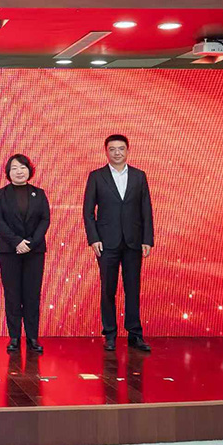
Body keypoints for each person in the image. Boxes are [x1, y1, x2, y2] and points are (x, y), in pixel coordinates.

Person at [83, 134, 154, 352]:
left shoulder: (139, 176)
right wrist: (94, 238)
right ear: (106, 151)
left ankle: (135, 334)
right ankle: (110, 334)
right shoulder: (96, 176)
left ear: (127, 151)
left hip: (133, 241)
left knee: (133, 288)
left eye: (121, 149)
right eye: (112, 149)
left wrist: (147, 239)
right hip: (106, 243)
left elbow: (146, 210)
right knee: (108, 289)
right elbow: (88, 212)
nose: (117, 153)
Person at [0, 154, 50, 354]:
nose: (19, 171)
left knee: (32, 294)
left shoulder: (39, 194)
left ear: (29, 170)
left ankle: (33, 337)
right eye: (14, 168)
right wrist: (17, 241)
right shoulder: (0, 194)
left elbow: (45, 220)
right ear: (8, 172)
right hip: (9, 250)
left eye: (23, 167)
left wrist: (31, 243)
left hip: (35, 251)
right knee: (12, 294)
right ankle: (14, 337)